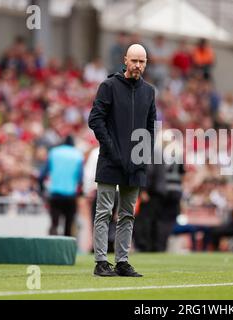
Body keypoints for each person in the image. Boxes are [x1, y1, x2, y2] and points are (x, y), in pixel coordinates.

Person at [88, 44, 156, 277]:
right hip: (110, 161)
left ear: (146, 63)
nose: (138, 65)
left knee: (128, 214)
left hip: (135, 165)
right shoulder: (108, 86)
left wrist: (143, 156)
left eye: (142, 61)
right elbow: (95, 121)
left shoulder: (149, 91)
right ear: (125, 60)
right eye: (134, 60)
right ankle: (100, 262)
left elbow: (150, 127)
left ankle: (123, 262)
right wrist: (114, 151)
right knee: (104, 211)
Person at [39, 135, 84, 236]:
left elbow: (42, 175)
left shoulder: (53, 153)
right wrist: (80, 192)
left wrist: (41, 189)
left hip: (55, 194)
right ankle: (67, 250)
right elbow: (80, 178)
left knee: (54, 223)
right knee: (68, 225)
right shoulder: (78, 155)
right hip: (70, 195)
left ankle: (51, 248)